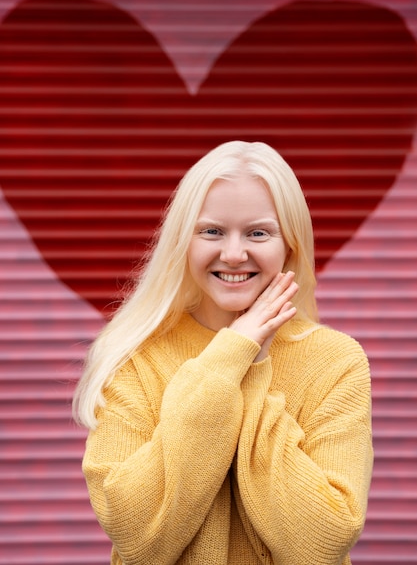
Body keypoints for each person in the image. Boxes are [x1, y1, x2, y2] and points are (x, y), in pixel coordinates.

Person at [73, 140, 373, 565]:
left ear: (290, 243)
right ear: (184, 241)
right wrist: (234, 351)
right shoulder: (135, 356)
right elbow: (138, 536)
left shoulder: (336, 362)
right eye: (212, 231)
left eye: (258, 232)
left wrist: (249, 364)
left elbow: (322, 543)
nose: (234, 254)